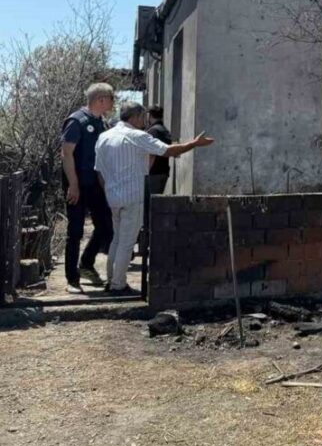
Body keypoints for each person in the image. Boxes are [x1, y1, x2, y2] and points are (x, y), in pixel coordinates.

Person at [94, 101, 215, 294]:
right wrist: (194, 144)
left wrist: (109, 190)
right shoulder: (137, 136)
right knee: (126, 242)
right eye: (142, 117)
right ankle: (118, 285)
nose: (145, 121)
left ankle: (112, 280)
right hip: (133, 195)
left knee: (117, 239)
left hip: (113, 196)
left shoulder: (104, 137)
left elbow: (99, 171)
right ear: (134, 117)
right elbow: (169, 151)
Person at [60, 83, 116, 293]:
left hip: (95, 184)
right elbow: (66, 154)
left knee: (105, 227)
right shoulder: (77, 121)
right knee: (75, 231)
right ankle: (72, 280)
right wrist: (73, 185)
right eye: (111, 98)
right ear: (101, 99)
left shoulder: (101, 122)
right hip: (77, 183)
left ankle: (86, 263)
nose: (112, 102)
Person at [145, 106, 173, 195]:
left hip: (153, 173)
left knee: (150, 202)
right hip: (163, 171)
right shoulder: (164, 130)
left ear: (149, 116)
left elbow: (151, 154)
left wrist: (146, 170)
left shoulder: (153, 131)